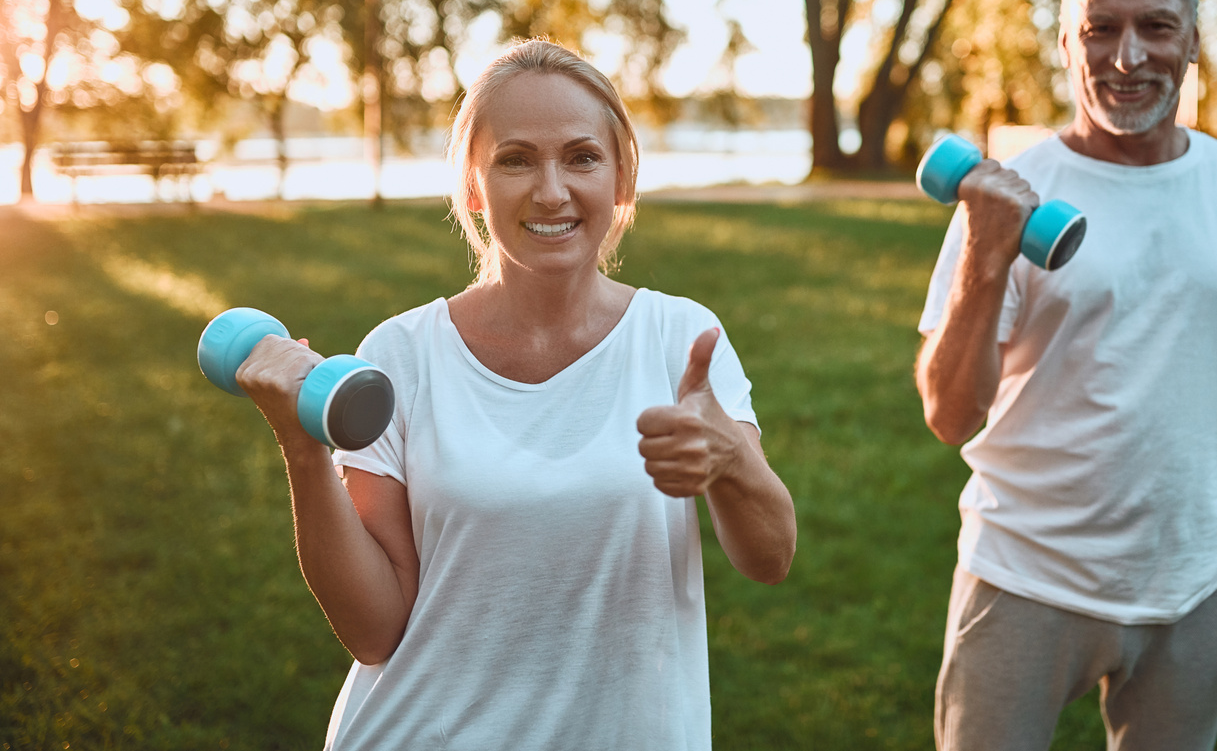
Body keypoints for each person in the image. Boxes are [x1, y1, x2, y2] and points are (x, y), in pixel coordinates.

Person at [235, 38, 797, 750]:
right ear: (473, 185)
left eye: (582, 156)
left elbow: (770, 556)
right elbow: (373, 631)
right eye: (516, 158)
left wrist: (731, 463)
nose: (552, 189)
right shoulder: (398, 356)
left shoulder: (682, 338)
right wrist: (301, 446)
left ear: (620, 177)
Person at [915, 0, 1217, 750]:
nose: (1127, 56)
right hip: (1022, 573)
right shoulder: (1008, 194)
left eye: (1154, 27)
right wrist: (986, 258)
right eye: (1099, 29)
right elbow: (948, 413)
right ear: (1066, 40)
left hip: (1193, 581)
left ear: (1191, 40)